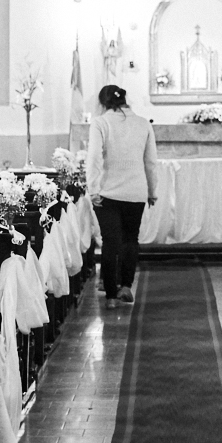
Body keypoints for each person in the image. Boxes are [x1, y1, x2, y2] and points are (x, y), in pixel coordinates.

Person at [86, 84, 159, 307]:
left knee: (110, 243)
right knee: (130, 240)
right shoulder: (143, 123)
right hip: (135, 191)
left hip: (108, 192)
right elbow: (151, 161)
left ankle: (109, 296)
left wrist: (93, 189)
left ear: (103, 102)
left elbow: (94, 158)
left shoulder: (100, 123)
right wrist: (152, 190)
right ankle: (126, 285)